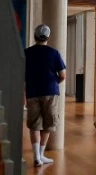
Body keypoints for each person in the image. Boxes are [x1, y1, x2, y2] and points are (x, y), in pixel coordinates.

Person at [24, 24, 67, 167]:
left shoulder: (26, 53)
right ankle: (42, 154)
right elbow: (63, 75)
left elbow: (22, 74)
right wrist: (54, 82)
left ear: (35, 36)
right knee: (49, 124)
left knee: (35, 125)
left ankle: (37, 157)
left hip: (32, 92)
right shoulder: (54, 53)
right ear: (48, 37)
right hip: (50, 91)